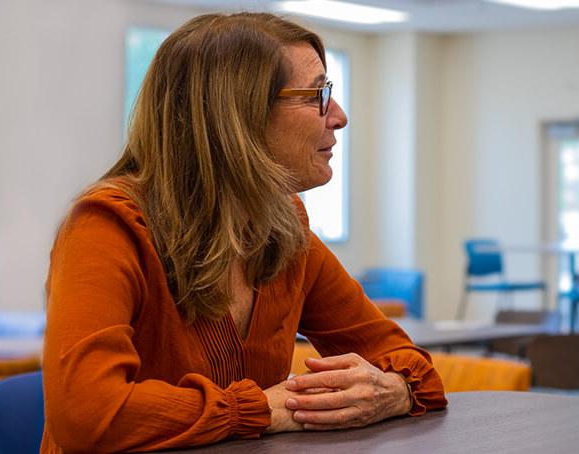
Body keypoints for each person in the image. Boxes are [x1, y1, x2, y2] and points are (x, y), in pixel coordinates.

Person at [41, 13, 446, 453]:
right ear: (237, 115)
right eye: (319, 95)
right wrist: (261, 410)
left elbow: (414, 367)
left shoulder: (285, 229)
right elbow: (88, 415)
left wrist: (391, 391)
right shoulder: (106, 227)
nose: (340, 117)